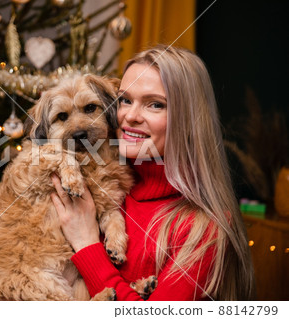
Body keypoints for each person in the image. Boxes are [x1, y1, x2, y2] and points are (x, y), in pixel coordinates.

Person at [50, 45, 255, 301]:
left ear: (188, 119)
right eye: (125, 100)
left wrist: (86, 244)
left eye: (155, 105)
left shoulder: (205, 229)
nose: (130, 116)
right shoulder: (89, 177)